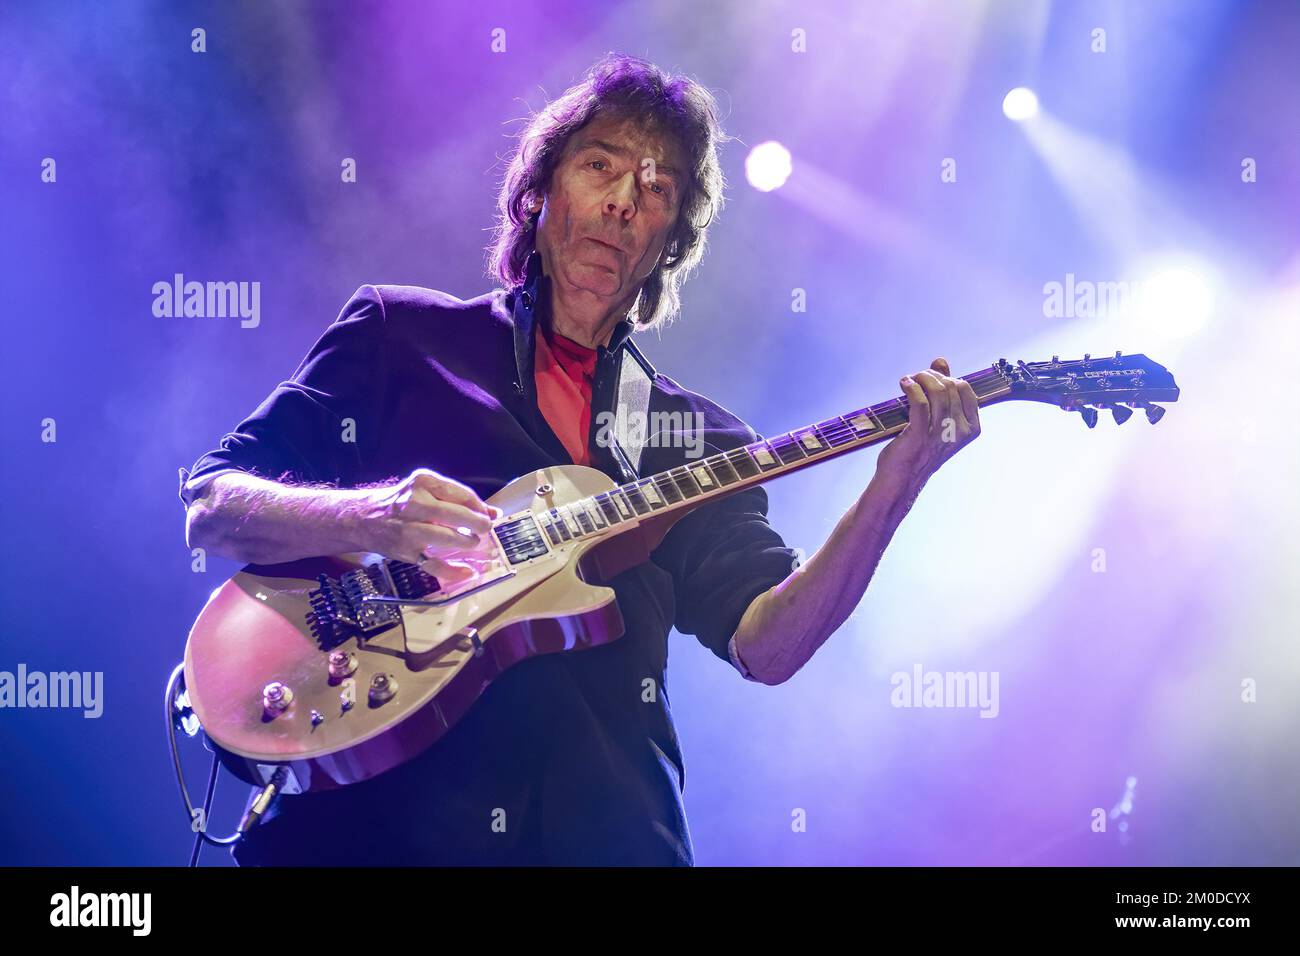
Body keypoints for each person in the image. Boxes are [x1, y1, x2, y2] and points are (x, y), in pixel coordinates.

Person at [178, 53, 980, 866]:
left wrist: (895, 486)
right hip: (374, 829)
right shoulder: (404, 336)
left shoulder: (695, 439)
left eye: (658, 188)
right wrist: (371, 518)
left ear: (668, 243)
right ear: (539, 192)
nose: (625, 200)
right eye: (601, 165)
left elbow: (769, 647)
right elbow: (211, 505)